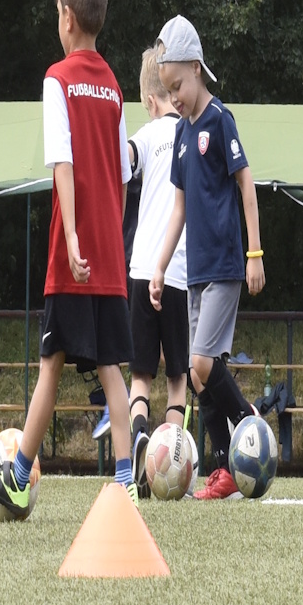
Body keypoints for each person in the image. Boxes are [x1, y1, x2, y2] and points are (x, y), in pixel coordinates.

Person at [0, 0, 134, 515]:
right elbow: (122, 177)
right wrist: (110, 239)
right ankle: (127, 484)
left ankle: (18, 476)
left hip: (73, 258)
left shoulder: (57, 80)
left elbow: (62, 163)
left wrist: (70, 238)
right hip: (109, 256)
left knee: (51, 363)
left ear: (66, 15)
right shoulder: (114, 86)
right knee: (111, 368)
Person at [140, 16, 264, 501]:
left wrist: (255, 253)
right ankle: (225, 466)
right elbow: (179, 209)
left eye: (178, 86)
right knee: (196, 373)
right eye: (168, 90)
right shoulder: (181, 136)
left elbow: (247, 185)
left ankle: (249, 422)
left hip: (226, 266)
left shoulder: (219, 120)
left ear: (196, 68)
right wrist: (159, 266)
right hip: (193, 273)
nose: (174, 98)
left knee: (200, 363)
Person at [125, 44, 191, 474]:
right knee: (177, 377)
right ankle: (171, 463)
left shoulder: (146, 135)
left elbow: (125, 158)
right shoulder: (189, 130)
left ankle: (138, 437)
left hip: (142, 267)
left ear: (150, 101)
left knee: (141, 376)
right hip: (179, 270)